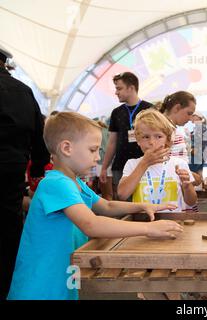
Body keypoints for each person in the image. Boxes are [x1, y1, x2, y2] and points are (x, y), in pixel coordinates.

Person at [7, 112, 182, 300]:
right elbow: (91, 224)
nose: (98, 157)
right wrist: (148, 229)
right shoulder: (56, 184)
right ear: (67, 148)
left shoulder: (75, 182)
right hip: (41, 284)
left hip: (62, 273)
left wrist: (142, 206)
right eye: (93, 150)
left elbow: (105, 206)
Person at [0, 46, 50, 300]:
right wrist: (39, 169)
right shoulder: (23, 91)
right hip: (11, 172)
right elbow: (38, 137)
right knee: (9, 228)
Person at [117, 109, 197, 210]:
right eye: (146, 137)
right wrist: (144, 164)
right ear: (138, 140)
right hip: (142, 222)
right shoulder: (132, 164)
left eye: (158, 136)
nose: (152, 142)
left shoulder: (179, 164)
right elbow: (122, 194)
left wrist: (187, 186)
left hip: (173, 222)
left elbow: (192, 202)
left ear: (167, 139)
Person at [100, 72, 154, 199]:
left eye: (119, 88)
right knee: (123, 202)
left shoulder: (150, 110)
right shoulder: (116, 112)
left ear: (131, 88)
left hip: (145, 164)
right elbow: (112, 142)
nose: (116, 92)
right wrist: (104, 167)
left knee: (145, 199)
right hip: (120, 166)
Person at [189, 111, 207, 179]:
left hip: (197, 154)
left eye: (192, 116)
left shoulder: (200, 127)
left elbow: (200, 143)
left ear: (196, 117)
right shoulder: (199, 127)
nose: (190, 118)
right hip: (199, 154)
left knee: (192, 174)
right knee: (199, 172)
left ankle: (198, 188)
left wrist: (192, 150)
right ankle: (200, 188)